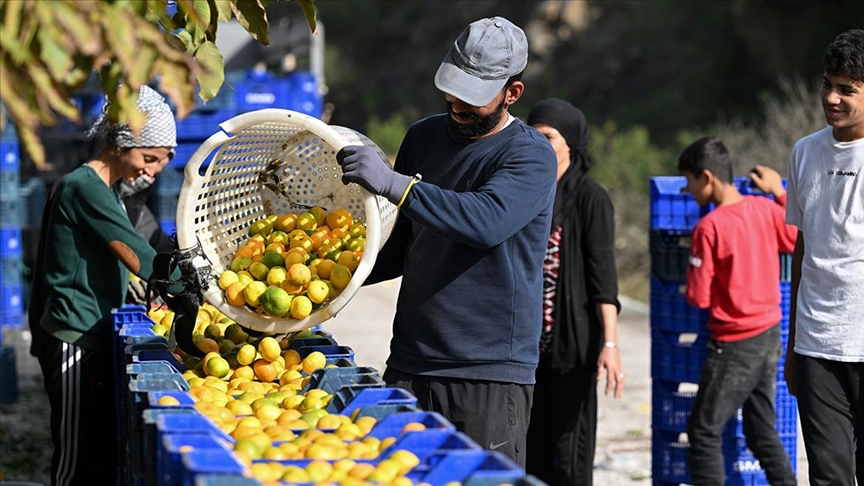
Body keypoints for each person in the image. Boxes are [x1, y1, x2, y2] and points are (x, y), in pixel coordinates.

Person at [335, 16, 557, 466]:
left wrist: (397, 185)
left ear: (512, 92)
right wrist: (336, 274)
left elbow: (485, 221)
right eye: (453, 89)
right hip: (411, 360)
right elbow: (402, 244)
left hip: (487, 374)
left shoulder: (530, 155)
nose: (457, 104)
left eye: (473, 97)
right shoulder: (424, 136)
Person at [28, 85, 176, 485]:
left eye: (159, 165)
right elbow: (139, 256)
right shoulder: (85, 187)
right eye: (149, 159)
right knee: (75, 463)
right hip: (74, 338)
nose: (150, 172)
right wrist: (191, 285)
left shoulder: (105, 190)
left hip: (94, 335)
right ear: (123, 142)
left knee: (95, 458)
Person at [677, 137, 798, 486]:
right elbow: (795, 238)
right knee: (761, 429)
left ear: (706, 177)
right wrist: (779, 192)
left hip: (733, 343)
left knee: (703, 431)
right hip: (770, 334)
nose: (689, 190)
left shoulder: (709, 228)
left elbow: (699, 298)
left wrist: (692, 283)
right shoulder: (764, 210)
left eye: (689, 181)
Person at [522, 98, 624, 485]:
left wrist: (610, 344)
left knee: (571, 456)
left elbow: (604, 278)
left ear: (571, 143)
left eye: (548, 136)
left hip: (573, 348)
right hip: (527, 350)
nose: (539, 143)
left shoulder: (590, 198)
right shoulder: (525, 190)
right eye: (533, 135)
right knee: (533, 454)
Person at [784, 29, 864, 485]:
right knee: (828, 476)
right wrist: (795, 344)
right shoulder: (805, 152)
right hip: (817, 343)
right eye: (827, 85)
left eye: (846, 90)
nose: (831, 98)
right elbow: (803, 247)